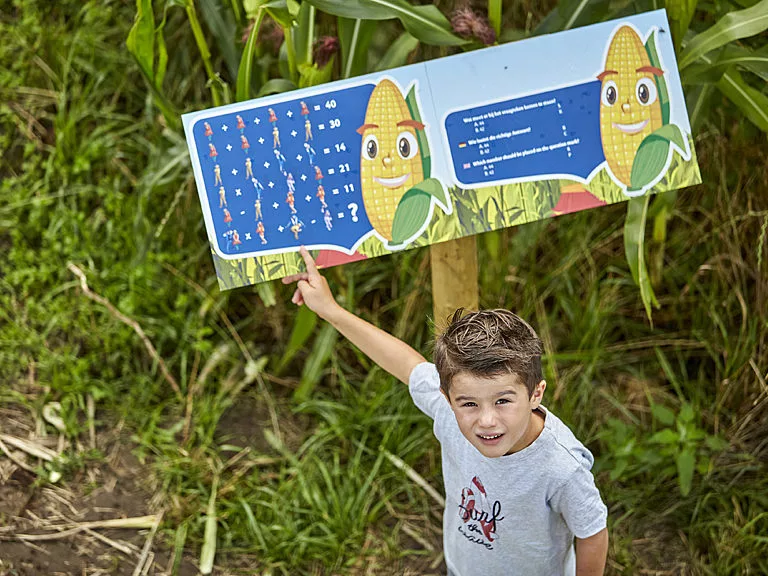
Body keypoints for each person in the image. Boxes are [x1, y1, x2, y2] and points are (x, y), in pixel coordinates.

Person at [282, 247, 609, 576]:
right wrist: (330, 310)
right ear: (446, 396)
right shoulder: (447, 409)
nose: (486, 420)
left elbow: (592, 533)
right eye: (469, 403)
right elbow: (405, 363)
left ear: (535, 394)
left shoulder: (561, 468)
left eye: (503, 401)